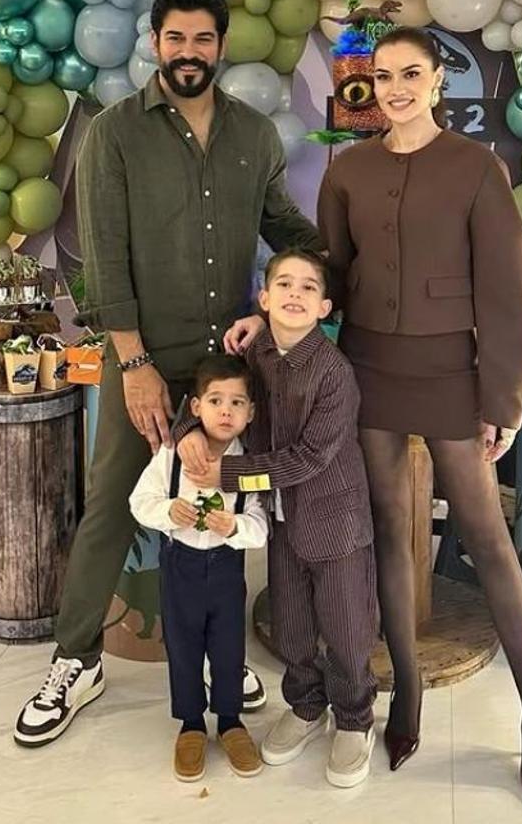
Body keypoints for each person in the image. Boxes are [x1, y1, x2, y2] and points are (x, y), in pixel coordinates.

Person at [13, 0, 322, 748]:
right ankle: (76, 661)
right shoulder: (114, 132)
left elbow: (282, 225)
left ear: (221, 46)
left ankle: (223, 659)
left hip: (226, 366)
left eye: (203, 39)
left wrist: (327, 265)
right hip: (142, 358)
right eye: (175, 38)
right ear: (155, 42)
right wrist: (135, 364)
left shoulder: (254, 134)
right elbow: (103, 258)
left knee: (225, 494)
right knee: (113, 503)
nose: (189, 52)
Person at [316, 27, 522, 812]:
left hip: (453, 371)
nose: (395, 88)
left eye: (410, 74)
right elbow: (334, 276)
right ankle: (409, 695)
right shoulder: (347, 171)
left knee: (487, 539)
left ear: (436, 82)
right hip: (369, 368)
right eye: (383, 75)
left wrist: (505, 399)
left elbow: (510, 289)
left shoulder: (477, 167)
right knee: (391, 532)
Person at [179, 249, 378, 789]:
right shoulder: (254, 351)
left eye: (308, 287)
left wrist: (227, 473)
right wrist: (188, 431)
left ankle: (355, 718)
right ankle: (306, 706)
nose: (295, 293)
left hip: (334, 519)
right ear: (263, 299)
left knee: (346, 626)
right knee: (291, 622)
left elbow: (310, 458)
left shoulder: (334, 373)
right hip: (282, 521)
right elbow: (213, 391)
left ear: (325, 307)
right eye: (284, 284)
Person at [129, 355, 267, 782]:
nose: (226, 412)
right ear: (195, 407)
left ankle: (230, 721)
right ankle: (191, 725)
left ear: (251, 412)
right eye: (215, 400)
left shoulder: (249, 464)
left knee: (228, 647)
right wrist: (169, 511)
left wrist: (234, 526)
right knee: (183, 646)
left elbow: (261, 526)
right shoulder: (171, 457)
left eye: (237, 403)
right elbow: (140, 501)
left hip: (226, 568)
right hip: (180, 566)